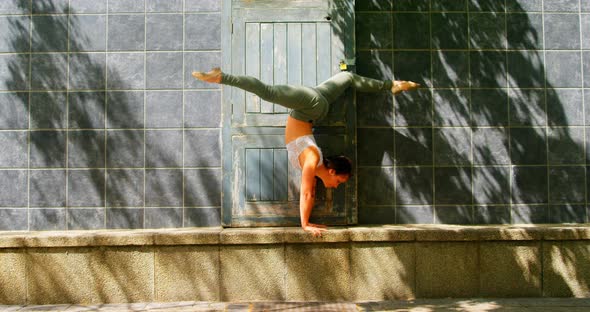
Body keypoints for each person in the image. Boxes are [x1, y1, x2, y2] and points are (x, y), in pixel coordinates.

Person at [192, 68, 419, 236]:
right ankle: (222, 77)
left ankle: (391, 85)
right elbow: (308, 193)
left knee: (348, 77)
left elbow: (309, 191)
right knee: (268, 92)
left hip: (316, 107)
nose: (338, 185)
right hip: (309, 106)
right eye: (340, 180)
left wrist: (306, 223)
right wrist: (305, 224)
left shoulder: (315, 161)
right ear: (331, 170)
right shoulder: (312, 158)